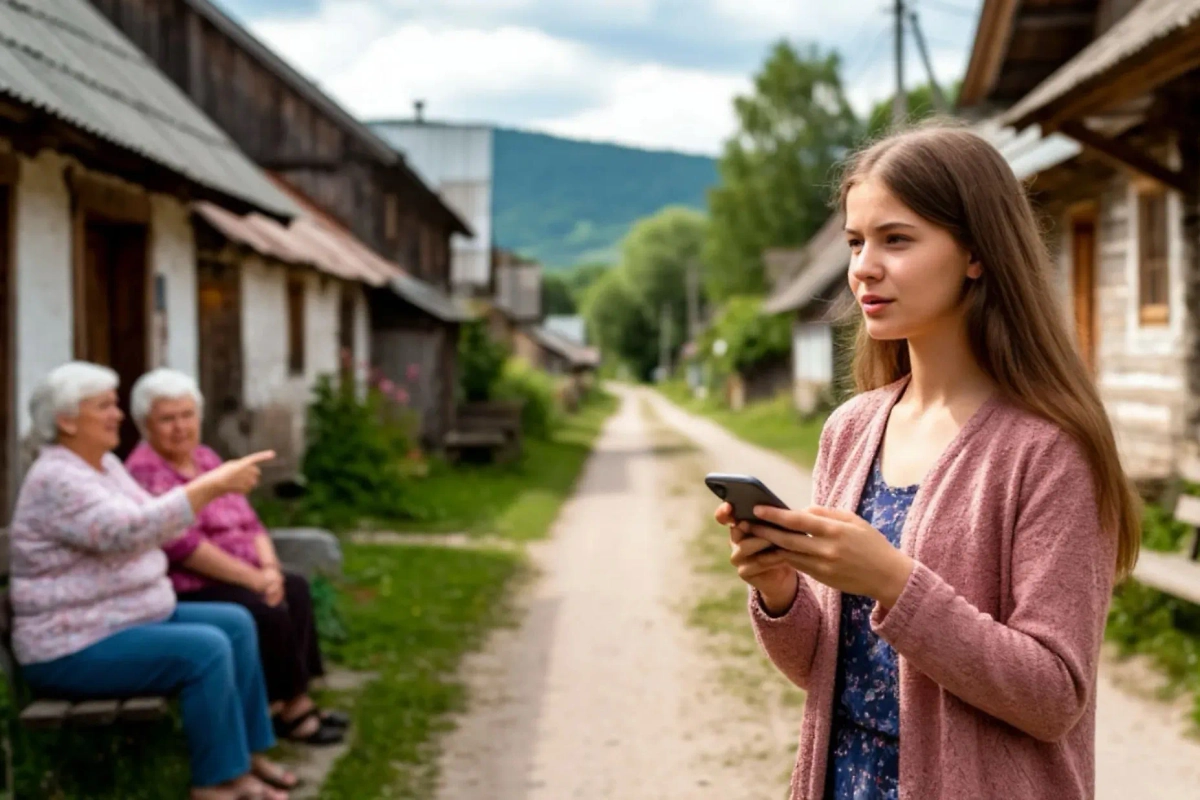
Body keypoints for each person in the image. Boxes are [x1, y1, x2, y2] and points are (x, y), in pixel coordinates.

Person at [716, 124, 1140, 800]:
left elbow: (1054, 696)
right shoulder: (850, 430)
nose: (863, 267)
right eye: (856, 242)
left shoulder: (1049, 449)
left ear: (975, 253)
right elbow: (828, 671)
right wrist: (779, 591)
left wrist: (893, 582)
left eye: (896, 239)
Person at [10, 361, 299, 800]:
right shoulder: (57, 478)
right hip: (72, 642)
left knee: (237, 623)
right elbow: (131, 530)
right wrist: (214, 484)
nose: (118, 414)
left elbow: (158, 522)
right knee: (205, 649)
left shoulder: (103, 465)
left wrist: (208, 489)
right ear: (66, 420)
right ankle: (215, 780)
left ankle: (245, 757)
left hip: (123, 618)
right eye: (103, 406)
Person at [125, 369, 346, 746]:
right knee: (263, 606)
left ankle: (292, 699)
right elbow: (184, 546)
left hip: (241, 572)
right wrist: (254, 579)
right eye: (167, 419)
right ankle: (293, 711)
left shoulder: (207, 458)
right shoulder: (145, 470)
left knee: (294, 587)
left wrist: (270, 569)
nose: (180, 427)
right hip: (193, 584)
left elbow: (251, 522)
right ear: (146, 424)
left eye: (187, 415)